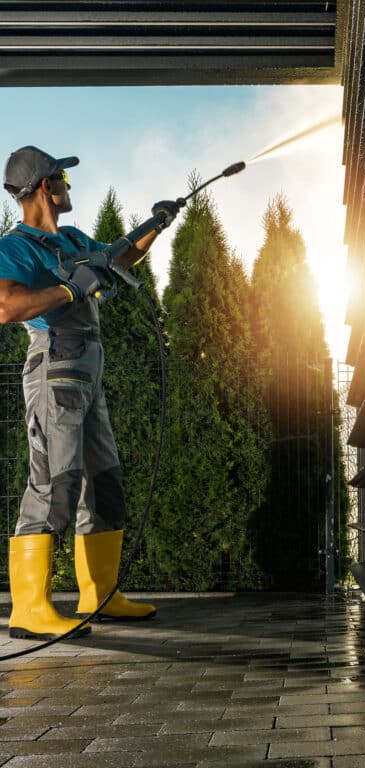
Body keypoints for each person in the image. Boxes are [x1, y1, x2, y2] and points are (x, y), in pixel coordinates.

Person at [0, 146, 178, 640]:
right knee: (56, 482)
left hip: (86, 372)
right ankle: (30, 609)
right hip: (54, 366)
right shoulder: (15, 247)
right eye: (62, 178)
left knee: (103, 484)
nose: (69, 187)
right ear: (43, 188)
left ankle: (99, 595)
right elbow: (6, 306)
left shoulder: (75, 238)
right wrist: (70, 291)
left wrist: (156, 223)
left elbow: (119, 257)